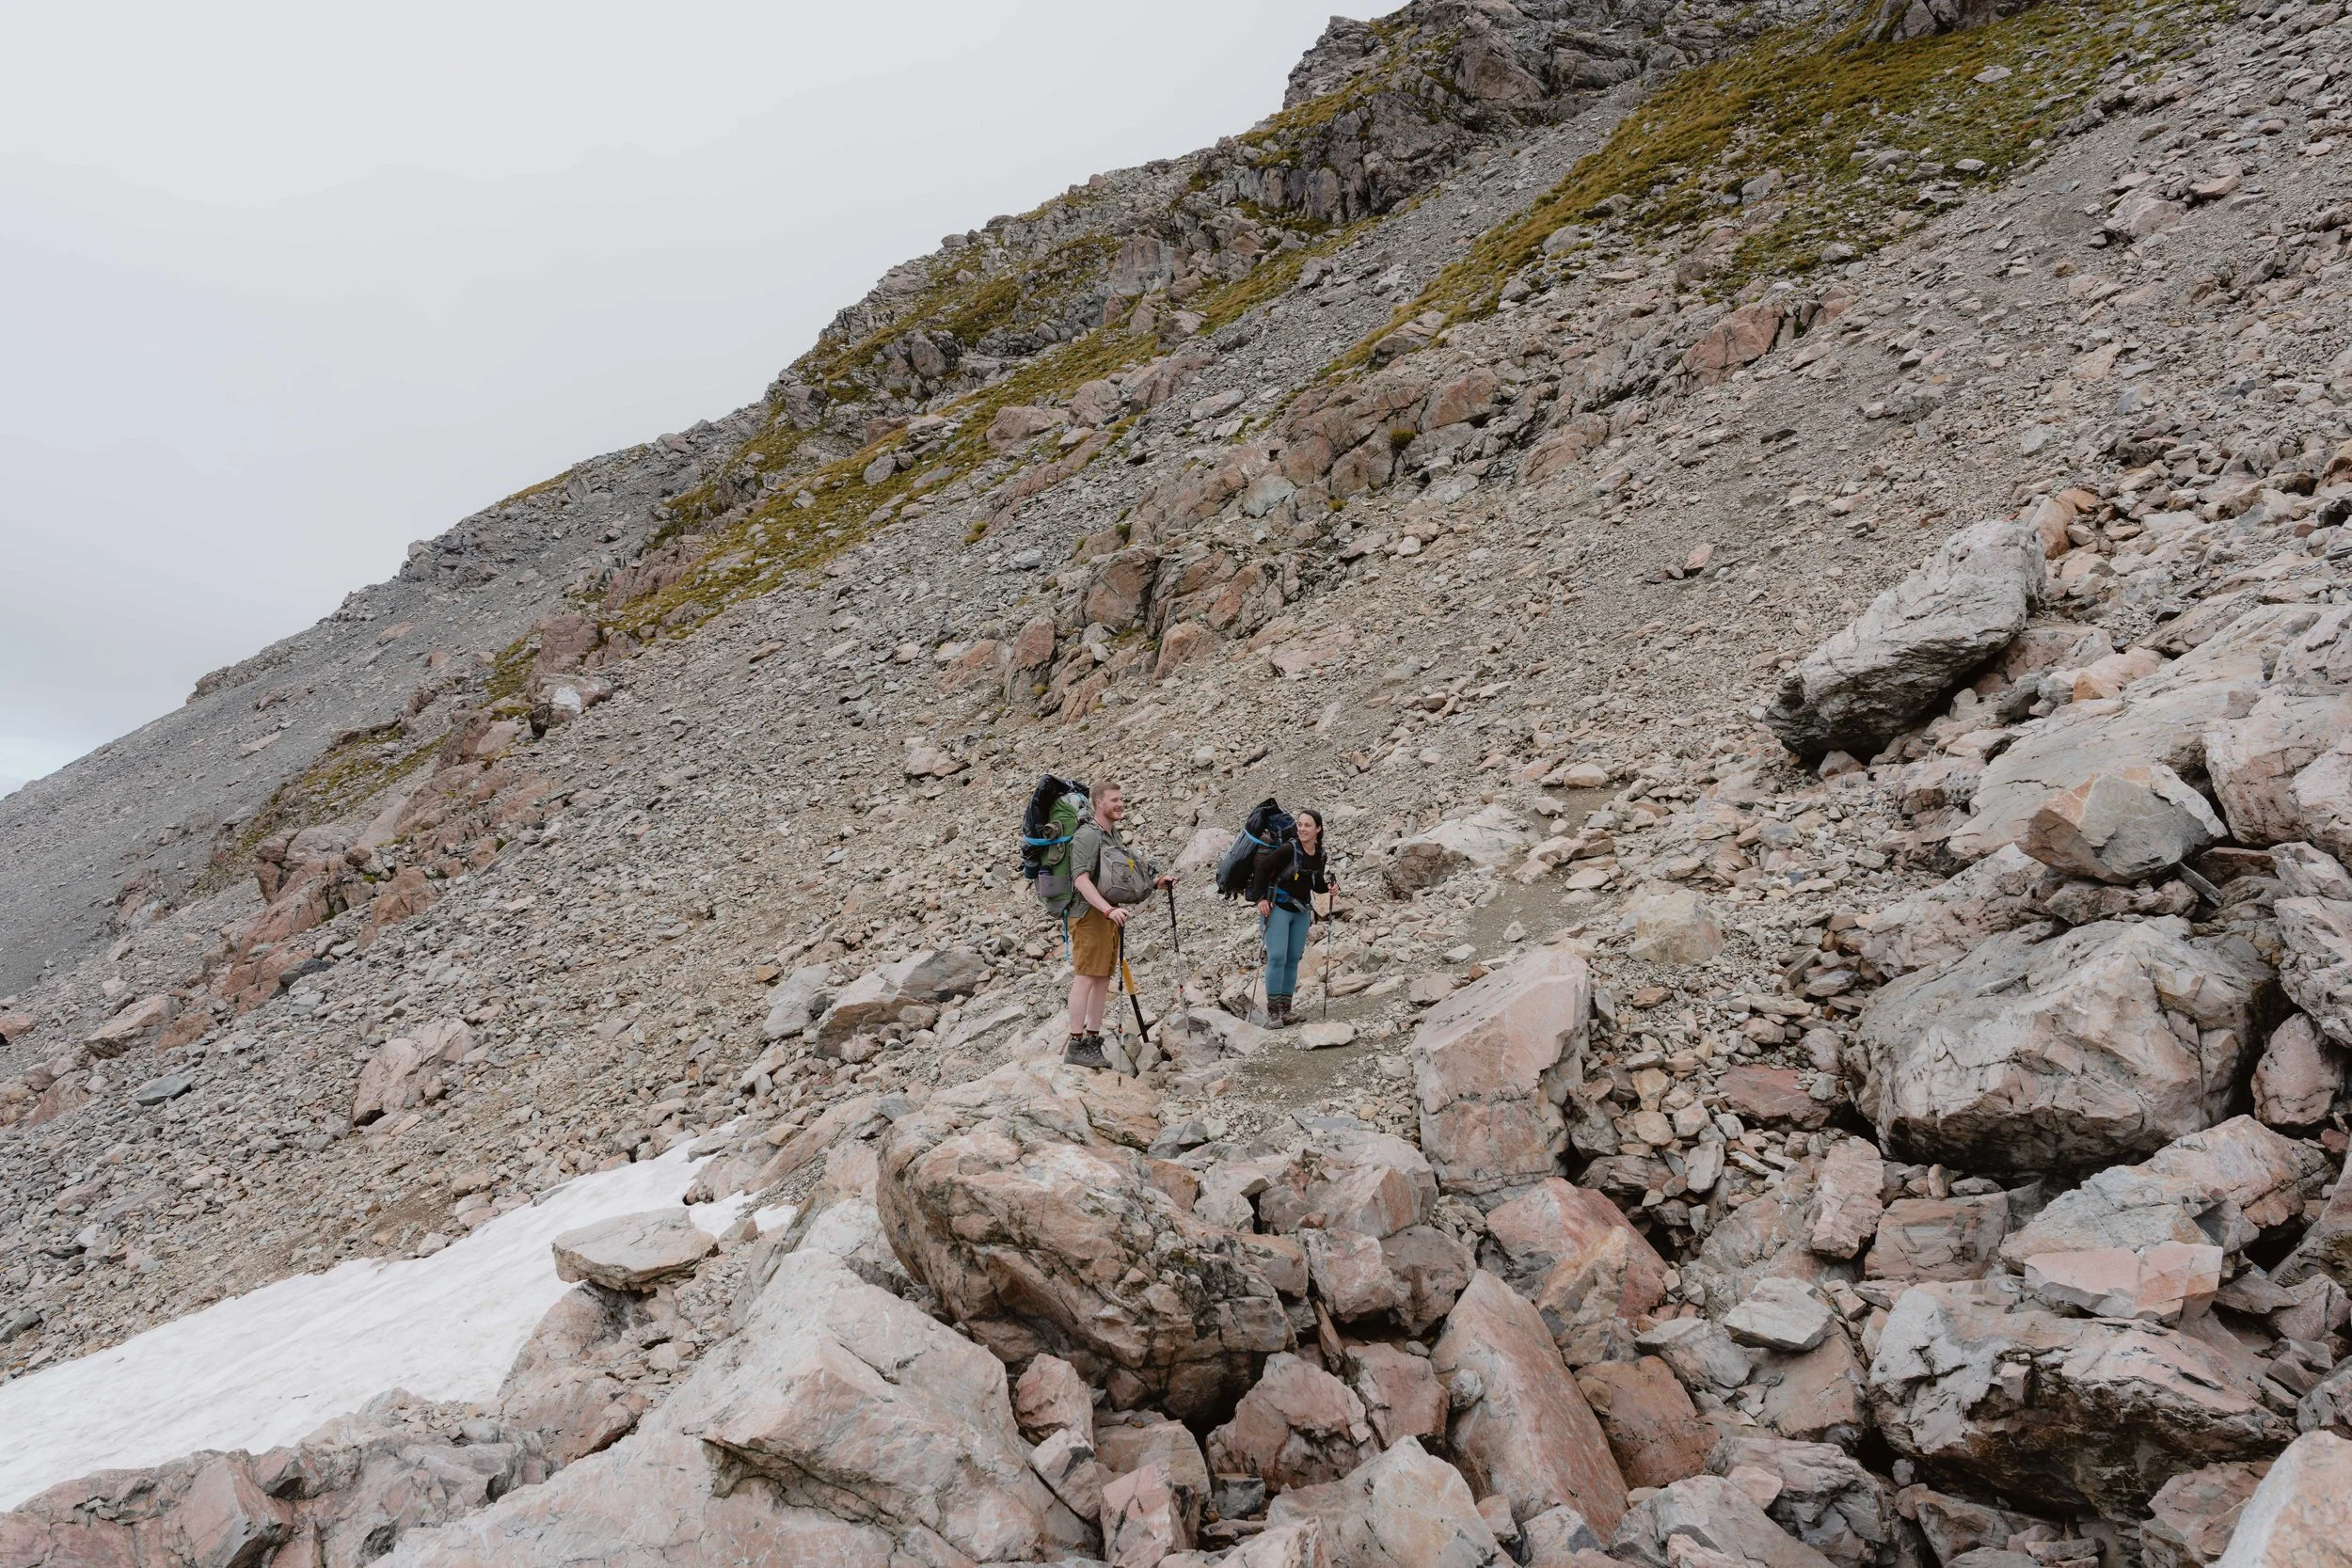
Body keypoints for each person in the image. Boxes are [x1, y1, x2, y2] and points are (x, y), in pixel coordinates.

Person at [1064, 781, 1176, 1068]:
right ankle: (1075, 1043)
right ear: (1098, 803)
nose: (1120, 804)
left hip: (1106, 915)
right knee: (1086, 975)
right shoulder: (1087, 836)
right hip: (1089, 915)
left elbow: (1119, 878)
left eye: (1121, 799)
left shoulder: (1112, 835)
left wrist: (1153, 884)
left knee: (1102, 977)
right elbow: (1080, 880)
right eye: (1114, 800)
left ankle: (1091, 1038)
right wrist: (1107, 910)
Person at [1249, 807, 1331, 1028]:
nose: (1302, 829)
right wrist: (1260, 900)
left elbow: (1317, 882)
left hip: (1301, 911)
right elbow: (1262, 869)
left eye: (1307, 825)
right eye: (1300, 825)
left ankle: (1286, 1011)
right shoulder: (1288, 849)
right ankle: (1273, 1013)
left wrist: (1330, 888)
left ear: (1318, 829)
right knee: (1277, 957)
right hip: (1278, 909)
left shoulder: (1320, 854)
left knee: (1293, 959)